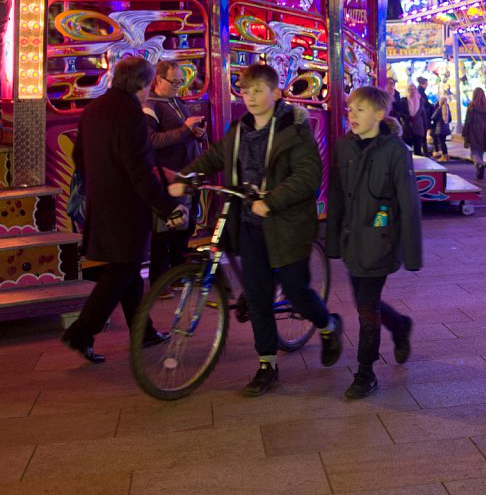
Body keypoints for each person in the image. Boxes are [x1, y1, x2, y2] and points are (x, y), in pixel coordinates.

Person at [170, 64, 341, 397]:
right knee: (258, 296)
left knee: (296, 291)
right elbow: (214, 157)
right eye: (246, 91)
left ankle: (327, 325)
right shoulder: (240, 129)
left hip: (287, 225)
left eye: (258, 90)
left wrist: (272, 200)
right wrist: (185, 178)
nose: (250, 97)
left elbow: (307, 177)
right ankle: (266, 365)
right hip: (249, 225)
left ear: (276, 94)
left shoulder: (295, 131)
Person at [62, 56, 186, 364]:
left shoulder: (94, 109)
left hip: (101, 202)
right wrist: (168, 208)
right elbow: (140, 171)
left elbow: (79, 158)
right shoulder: (130, 113)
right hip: (126, 208)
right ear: (142, 84)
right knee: (121, 272)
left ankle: (142, 331)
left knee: (128, 270)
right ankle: (81, 332)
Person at [326, 86, 421, 399]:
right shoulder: (343, 147)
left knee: (366, 307)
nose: (351, 114)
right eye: (350, 108)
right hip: (353, 239)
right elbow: (337, 196)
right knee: (365, 302)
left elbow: (408, 203)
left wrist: (411, 252)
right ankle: (399, 324)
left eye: (360, 109)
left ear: (379, 115)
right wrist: (333, 241)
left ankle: (365, 372)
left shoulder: (395, 151)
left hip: (381, 239)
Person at [144, 59, 206, 295]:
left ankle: (178, 274)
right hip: (167, 175)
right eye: (174, 81)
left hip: (187, 172)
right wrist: (184, 130)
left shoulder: (176, 101)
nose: (178, 86)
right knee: (166, 230)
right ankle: (159, 282)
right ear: (158, 79)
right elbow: (150, 141)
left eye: (181, 81)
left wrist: (197, 134)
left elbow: (184, 134)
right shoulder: (151, 105)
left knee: (185, 227)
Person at [463, 87, 486, 180]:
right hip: (485, 132)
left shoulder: (472, 106)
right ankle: (479, 171)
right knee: (481, 152)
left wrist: (465, 133)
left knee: (474, 153)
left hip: (474, 131)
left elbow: (468, 121)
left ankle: (479, 165)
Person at [401, 83, 429, 156]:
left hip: (418, 128)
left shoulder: (421, 101)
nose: (412, 91)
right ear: (407, 90)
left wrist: (425, 128)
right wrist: (408, 117)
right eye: (410, 89)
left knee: (418, 150)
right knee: (407, 150)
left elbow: (423, 115)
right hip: (407, 129)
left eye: (414, 89)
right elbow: (401, 113)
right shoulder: (404, 100)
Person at [430, 95, 452, 162]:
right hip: (446, 128)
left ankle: (444, 156)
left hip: (440, 128)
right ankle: (446, 155)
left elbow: (433, 117)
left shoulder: (439, 109)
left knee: (442, 143)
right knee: (443, 142)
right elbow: (450, 119)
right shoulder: (447, 109)